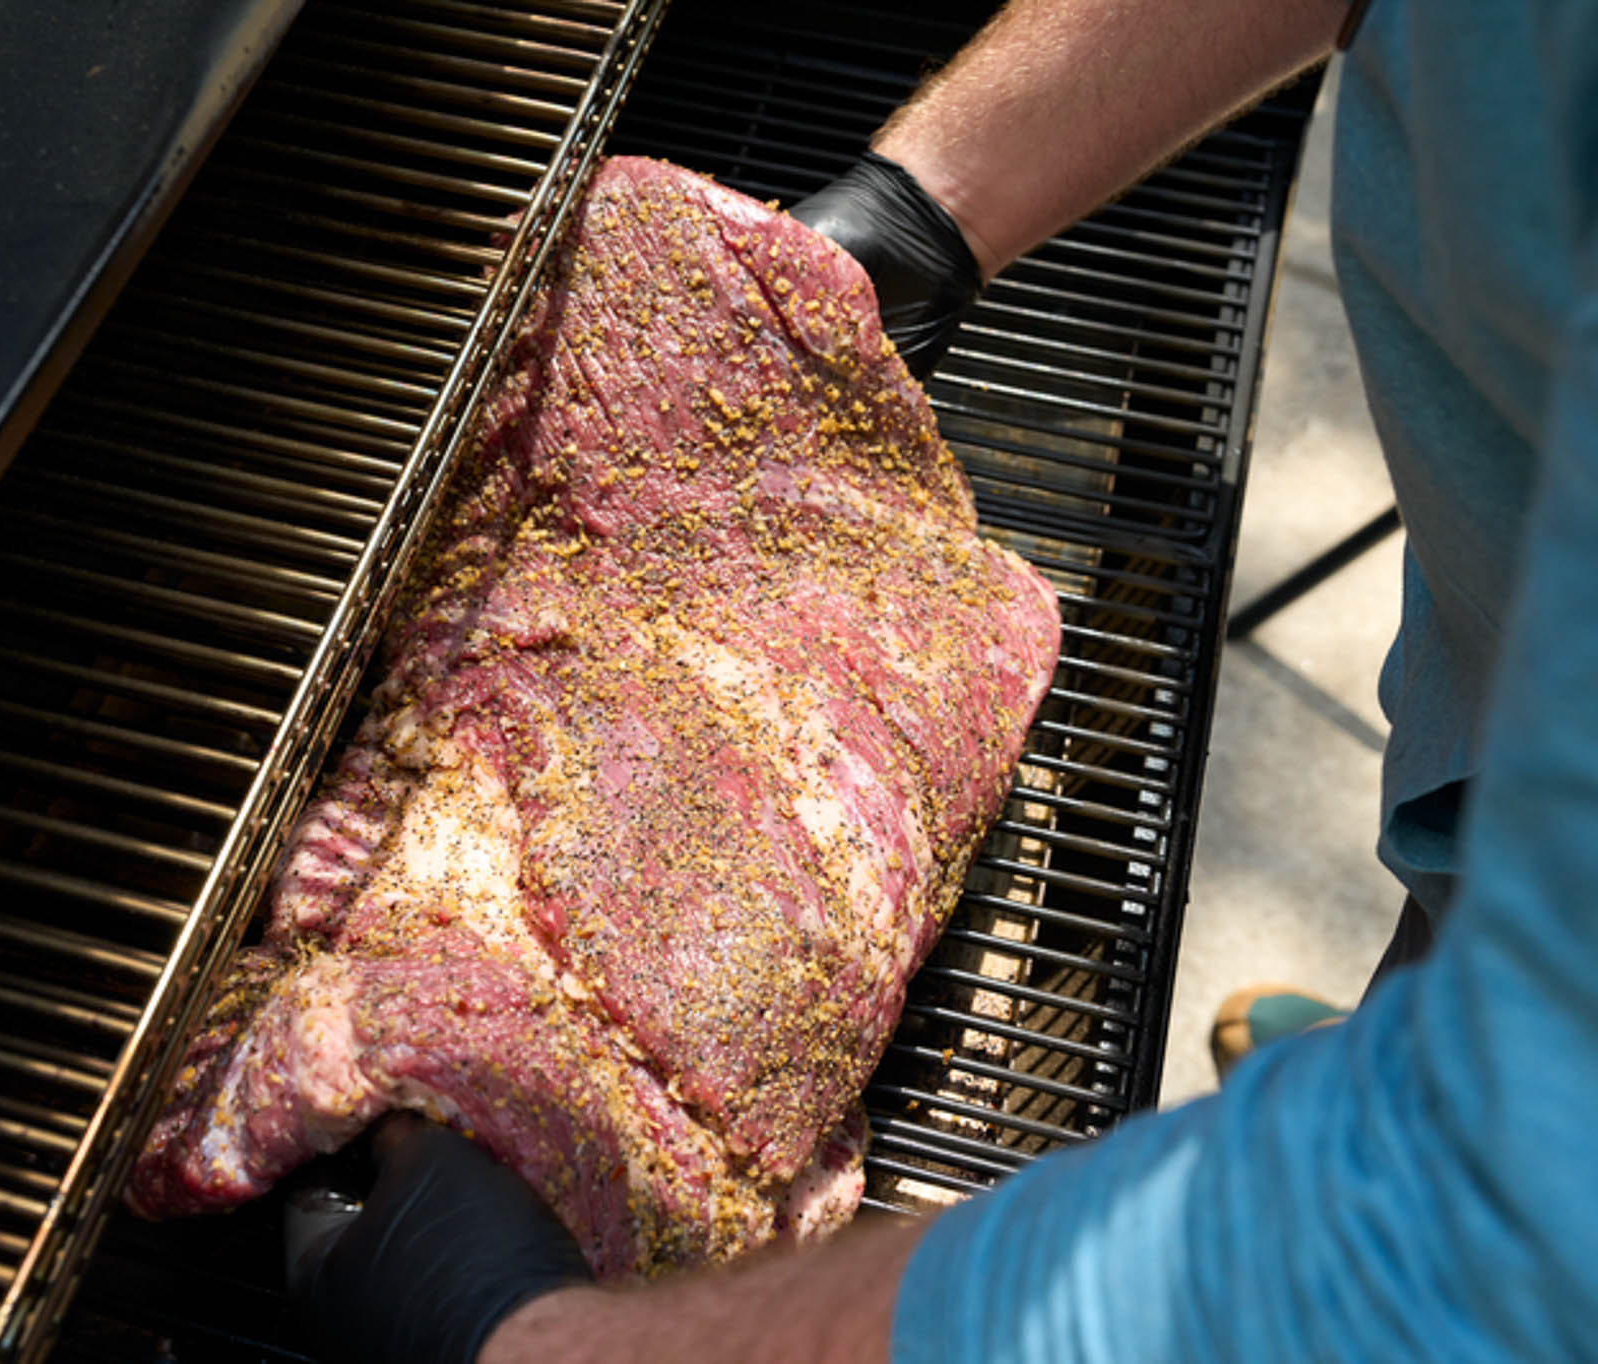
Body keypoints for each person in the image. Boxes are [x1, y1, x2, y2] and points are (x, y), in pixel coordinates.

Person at [288, 0, 1598, 1358]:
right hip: (1519, 714)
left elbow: (1477, 1237)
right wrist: (927, 209)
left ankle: (1401, 1067)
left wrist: (533, 1341)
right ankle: (1409, 1031)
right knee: (1471, 975)